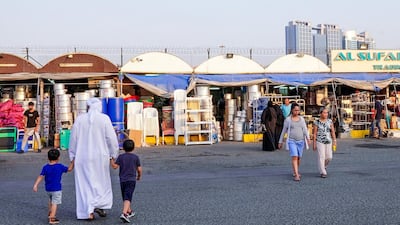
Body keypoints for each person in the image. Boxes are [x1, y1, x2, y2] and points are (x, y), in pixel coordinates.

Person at [68, 98, 119, 220]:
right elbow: (111, 139)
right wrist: (113, 155)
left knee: (84, 184)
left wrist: (72, 156)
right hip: (100, 157)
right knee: (100, 182)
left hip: (82, 157)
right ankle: (98, 204)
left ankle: (88, 211)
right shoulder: (104, 119)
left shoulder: (80, 119)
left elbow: (73, 139)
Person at [33, 149, 74, 224]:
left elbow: (41, 176)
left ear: (48, 158)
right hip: (56, 189)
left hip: (48, 188)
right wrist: (73, 161)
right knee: (55, 203)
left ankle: (50, 212)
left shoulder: (45, 167)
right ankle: (52, 218)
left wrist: (36, 185)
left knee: (51, 201)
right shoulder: (60, 166)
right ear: (58, 158)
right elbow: (69, 169)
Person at [111, 139, 142, 223]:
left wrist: (111, 159)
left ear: (123, 148)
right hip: (131, 180)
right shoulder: (135, 157)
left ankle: (129, 211)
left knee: (125, 195)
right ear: (133, 148)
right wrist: (139, 176)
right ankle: (124, 213)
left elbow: (114, 167)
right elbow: (139, 169)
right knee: (128, 196)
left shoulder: (121, 157)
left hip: (122, 180)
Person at [278, 103, 311, 181]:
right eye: (295, 110)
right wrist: (280, 141)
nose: (297, 112)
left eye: (298, 110)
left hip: (301, 141)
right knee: (295, 156)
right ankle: (296, 175)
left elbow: (305, 129)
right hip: (291, 141)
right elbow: (283, 131)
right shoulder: (288, 120)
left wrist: (308, 138)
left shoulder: (302, 119)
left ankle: (295, 170)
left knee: (299, 157)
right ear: (292, 110)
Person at [313, 108, 336, 178]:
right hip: (320, 141)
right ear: (320, 113)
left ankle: (324, 166)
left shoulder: (329, 121)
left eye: (327, 113)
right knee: (321, 156)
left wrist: (334, 140)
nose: (326, 114)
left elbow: (332, 131)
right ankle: (323, 172)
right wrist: (314, 143)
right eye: (324, 113)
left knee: (329, 157)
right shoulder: (316, 122)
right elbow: (314, 133)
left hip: (328, 140)